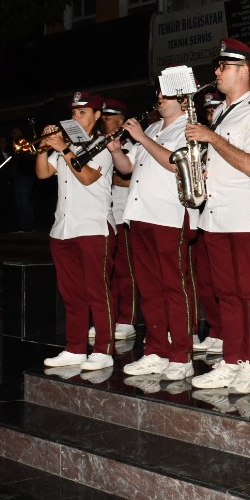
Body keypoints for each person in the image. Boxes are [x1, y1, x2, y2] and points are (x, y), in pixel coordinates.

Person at [187, 40, 250, 395]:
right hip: (214, 213)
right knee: (225, 292)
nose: (217, 72)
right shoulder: (222, 111)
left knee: (247, 291)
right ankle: (231, 359)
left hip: (241, 212)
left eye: (223, 66)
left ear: (243, 70)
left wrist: (211, 137)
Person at [118, 83, 201, 380]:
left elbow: (176, 163)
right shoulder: (152, 129)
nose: (159, 99)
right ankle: (155, 351)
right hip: (139, 215)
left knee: (174, 287)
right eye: (159, 94)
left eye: (166, 95)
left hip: (169, 216)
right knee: (149, 288)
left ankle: (181, 354)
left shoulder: (190, 128)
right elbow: (127, 167)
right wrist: (115, 150)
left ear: (183, 100)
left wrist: (140, 137)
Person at [38, 91, 118, 372]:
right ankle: (75, 348)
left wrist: (62, 149)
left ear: (97, 115)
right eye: (73, 112)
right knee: (71, 294)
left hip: (93, 227)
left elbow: (86, 177)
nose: (76, 117)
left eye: (82, 112)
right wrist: (43, 147)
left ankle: (103, 350)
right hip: (63, 229)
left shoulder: (102, 146)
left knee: (98, 292)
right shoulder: (67, 146)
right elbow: (42, 174)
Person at [100, 97, 138, 341]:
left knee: (126, 270)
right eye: (102, 117)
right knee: (108, 271)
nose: (104, 121)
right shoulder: (98, 143)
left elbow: (133, 178)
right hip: (104, 214)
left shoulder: (131, 143)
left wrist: (104, 176)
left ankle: (127, 319)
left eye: (108, 117)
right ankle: (109, 318)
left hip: (124, 213)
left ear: (121, 120)